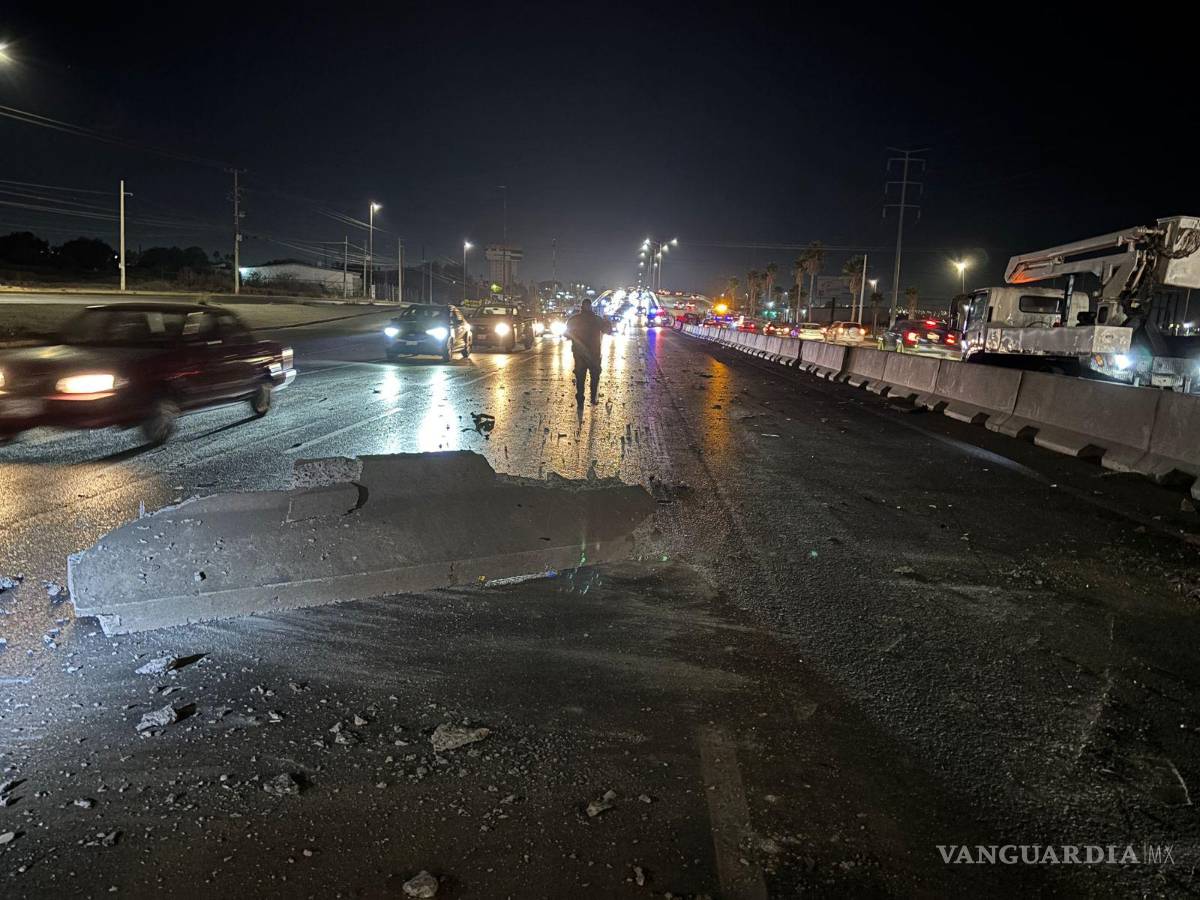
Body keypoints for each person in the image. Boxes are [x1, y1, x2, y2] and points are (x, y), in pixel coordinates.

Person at [565, 299, 612, 405]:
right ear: (590, 307)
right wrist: (607, 320)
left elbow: (566, 334)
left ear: (581, 307)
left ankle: (580, 398)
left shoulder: (574, 319)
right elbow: (608, 330)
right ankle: (593, 398)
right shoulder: (597, 319)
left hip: (579, 353)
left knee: (580, 376)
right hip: (594, 353)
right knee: (594, 376)